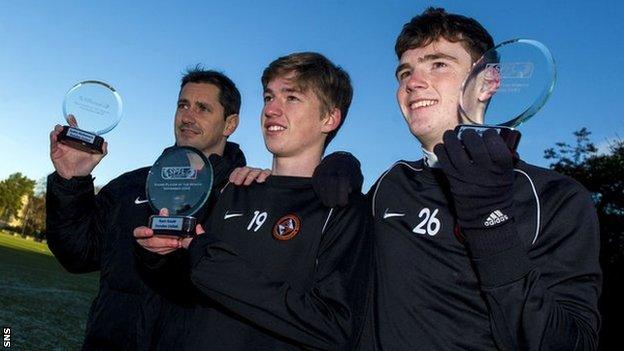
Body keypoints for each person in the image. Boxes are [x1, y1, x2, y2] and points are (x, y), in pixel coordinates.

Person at [360, 7, 601, 350]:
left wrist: (490, 226)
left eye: (438, 64)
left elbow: (571, 343)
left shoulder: (555, 197)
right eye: (404, 73)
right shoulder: (391, 184)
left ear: (488, 81)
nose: (412, 83)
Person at [134, 52, 372, 350]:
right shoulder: (232, 189)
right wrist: (157, 258)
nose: (271, 109)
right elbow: (186, 294)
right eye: (268, 97)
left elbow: (334, 326)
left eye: (291, 98)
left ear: (329, 118)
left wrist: (209, 262)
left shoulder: (342, 210)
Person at [46, 67, 246, 350]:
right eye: (183, 105)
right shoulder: (130, 186)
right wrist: (71, 180)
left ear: (230, 124)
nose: (188, 116)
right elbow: (76, 255)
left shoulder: (244, 197)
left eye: (203, 108)